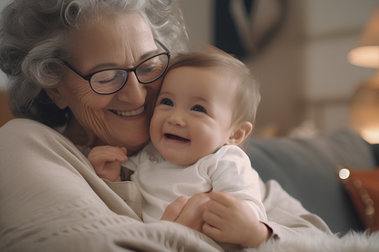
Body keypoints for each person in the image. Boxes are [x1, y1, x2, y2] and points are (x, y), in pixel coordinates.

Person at [0, 0, 331, 251]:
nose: (136, 96)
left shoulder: (211, 155)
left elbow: (323, 240)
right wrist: (182, 237)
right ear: (54, 85)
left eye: (149, 65)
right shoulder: (26, 145)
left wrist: (256, 232)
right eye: (107, 77)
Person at [89, 49, 269, 247]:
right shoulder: (149, 154)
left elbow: (247, 208)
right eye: (167, 102)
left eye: (198, 109)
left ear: (235, 134)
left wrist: (251, 231)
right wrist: (113, 177)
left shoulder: (224, 161)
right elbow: (123, 205)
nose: (175, 118)